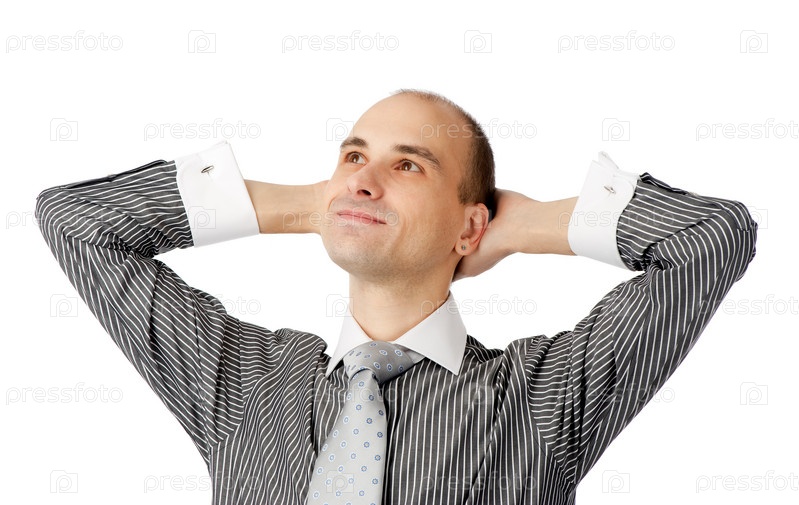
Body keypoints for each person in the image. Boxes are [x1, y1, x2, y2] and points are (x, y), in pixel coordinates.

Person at [35, 89, 758, 505]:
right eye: (353, 156)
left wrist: (523, 225)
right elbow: (77, 221)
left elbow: (711, 238)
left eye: (408, 164)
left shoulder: (542, 397)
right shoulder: (241, 383)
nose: (362, 178)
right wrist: (312, 205)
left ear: (470, 225)